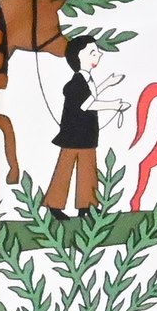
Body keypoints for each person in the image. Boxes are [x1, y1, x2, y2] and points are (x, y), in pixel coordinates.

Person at [40, 35, 117, 219]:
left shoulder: (86, 79)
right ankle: (54, 205)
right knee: (64, 170)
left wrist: (106, 84)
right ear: (79, 57)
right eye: (93, 52)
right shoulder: (76, 83)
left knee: (87, 169)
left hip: (86, 134)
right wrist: (115, 105)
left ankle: (87, 206)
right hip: (73, 135)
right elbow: (88, 104)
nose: (98, 55)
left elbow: (91, 96)